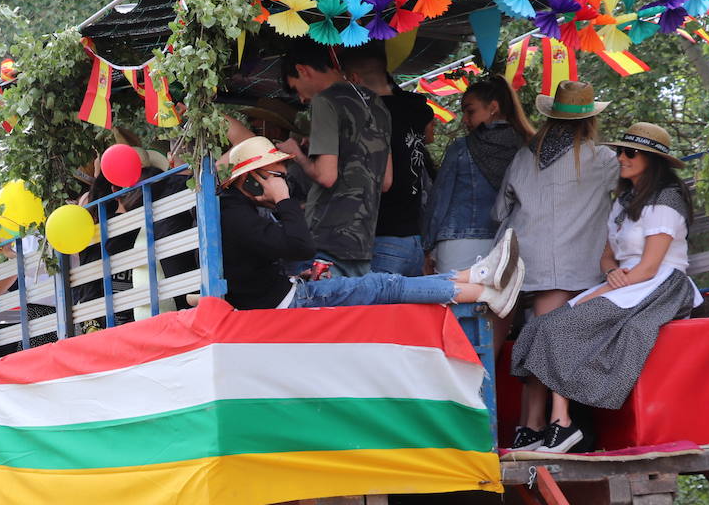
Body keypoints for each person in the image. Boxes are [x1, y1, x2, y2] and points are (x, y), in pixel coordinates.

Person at [511, 122, 699, 453]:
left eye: (629, 153)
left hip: (660, 286)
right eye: (619, 151)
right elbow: (608, 256)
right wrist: (610, 272)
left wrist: (600, 292)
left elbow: (650, 266)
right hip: (627, 281)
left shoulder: (666, 200)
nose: (621, 158)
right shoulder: (626, 199)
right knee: (540, 326)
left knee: (560, 325)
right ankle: (540, 427)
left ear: (651, 160)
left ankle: (563, 424)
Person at [219, 137, 523, 316]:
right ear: (252, 178)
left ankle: (477, 279)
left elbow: (272, 254)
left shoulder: (238, 210)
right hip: (286, 303)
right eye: (277, 176)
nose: (283, 184)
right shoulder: (237, 216)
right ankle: (482, 290)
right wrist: (283, 201)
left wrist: (298, 270)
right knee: (382, 285)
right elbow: (301, 245)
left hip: (285, 293)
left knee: (384, 284)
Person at [494, 80, 620, 450]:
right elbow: (633, 191)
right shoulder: (601, 160)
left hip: (520, 264)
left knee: (534, 342)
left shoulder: (523, 157)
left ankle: (527, 428)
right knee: (549, 347)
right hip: (568, 270)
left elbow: (499, 210)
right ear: (589, 120)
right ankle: (552, 425)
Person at [277, 41, 393, 277]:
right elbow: (386, 180)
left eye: (296, 88)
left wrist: (297, 154)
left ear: (302, 70)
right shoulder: (377, 103)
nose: (300, 99)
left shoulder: (325, 101)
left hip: (326, 234)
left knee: (320, 311)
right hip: (363, 238)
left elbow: (326, 176)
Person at [423, 75, 535, 273]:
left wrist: (425, 246)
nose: (465, 119)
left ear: (493, 107)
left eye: (470, 111)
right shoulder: (527, 147)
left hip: (458, 242)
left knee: (454, 302)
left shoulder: (461, 148)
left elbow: (439, 202)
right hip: (510, 244)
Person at [341, 44, 434, 276]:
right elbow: (429, 136)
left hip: (383, 236)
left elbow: (382, 180)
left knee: (380, 310)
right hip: (413, 237)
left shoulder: (371, 115)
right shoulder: (415, 107)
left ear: (354, 78)